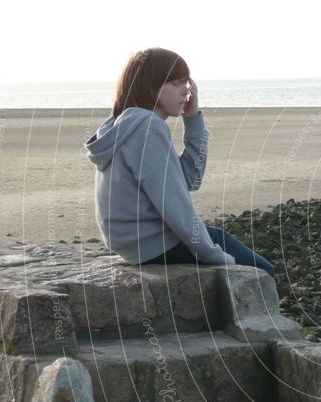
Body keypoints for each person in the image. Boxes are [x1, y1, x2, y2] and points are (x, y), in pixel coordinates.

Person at [84, 47, 277, 279]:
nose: (186, 89)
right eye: (176, 83)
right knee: (264, 271)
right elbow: (175, 203)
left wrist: (193, 120)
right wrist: (213, 254)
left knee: (219, 237)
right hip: (155, 244)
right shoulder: (147, 127)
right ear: (149, 85)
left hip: (133, 246)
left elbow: (189, 179)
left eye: (187, 82)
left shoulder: (123, 125)